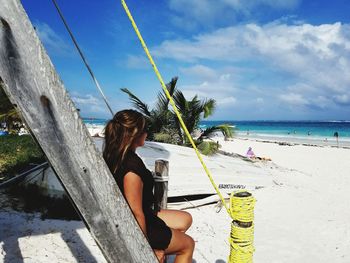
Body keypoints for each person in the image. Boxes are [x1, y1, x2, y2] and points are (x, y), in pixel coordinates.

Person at [103, 110, 194, 263]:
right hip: (138, 222)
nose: (147, 133)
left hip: (144, 213)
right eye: (145, 130)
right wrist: (147, 249)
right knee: (188, 244)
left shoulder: (116, 155)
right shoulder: (131, 170)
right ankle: (162, 250)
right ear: (135, 134)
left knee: (185, 219)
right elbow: (136, 213)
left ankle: (165, 248)